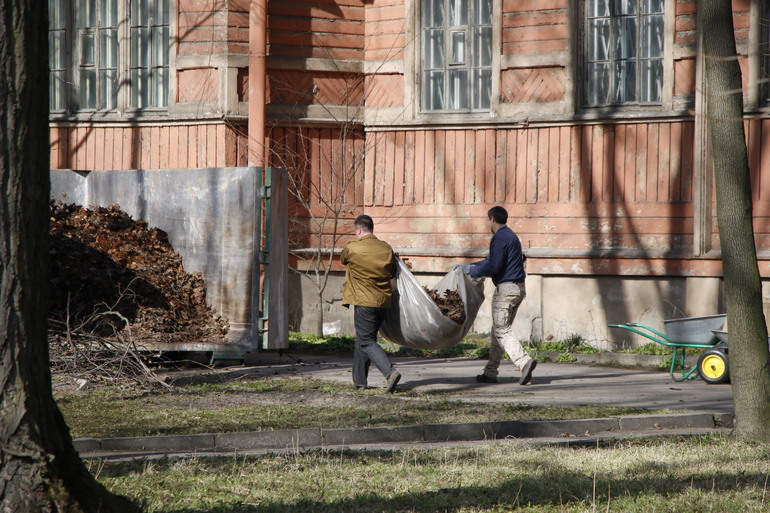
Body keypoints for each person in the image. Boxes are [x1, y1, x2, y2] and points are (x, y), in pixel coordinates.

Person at [460, 206, 536, 385]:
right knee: (498, 331)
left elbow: (494, 266)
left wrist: (472, 270)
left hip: (506, 289)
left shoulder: (499, 238)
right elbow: (492, 261)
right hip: (518, 288)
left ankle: (524, 362)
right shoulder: (511, 236)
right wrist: (473, 265)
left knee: (502, 330)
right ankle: (490, 372)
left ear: (492, 219)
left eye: (488, 220)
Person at [340, 214, 401, 393]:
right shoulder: (386, 249)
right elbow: (392, 272)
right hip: (383, 301)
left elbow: (343, 258)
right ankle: (360, 382)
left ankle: (390, 372)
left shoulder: (353, 248)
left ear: (358, 230)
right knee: (363, 339)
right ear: (372, 229)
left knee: (366, 341)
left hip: (364, 301)